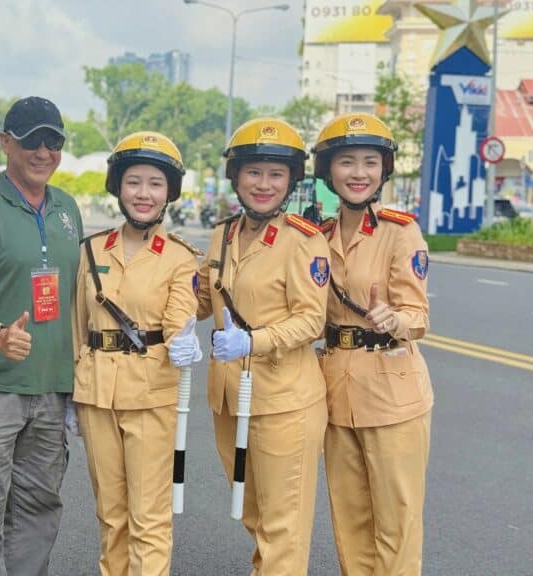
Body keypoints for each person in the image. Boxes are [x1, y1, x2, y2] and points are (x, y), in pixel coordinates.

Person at [0, 96, 83, 576]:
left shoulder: (67, 209)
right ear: (7, 143)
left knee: (39, 511)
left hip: (50, 389)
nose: (43, 152)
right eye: (31, 141)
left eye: (54, 142)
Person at [195, 117, 330, 575]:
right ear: (236, 176)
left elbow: (311, 319)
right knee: (253, 512)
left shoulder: (304, 241)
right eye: (254, 172)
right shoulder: (223, 234)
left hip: (284, 400)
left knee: (283, 525)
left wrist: (254, 340)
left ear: (292, 180)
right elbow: (199, 297)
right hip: (230, 396)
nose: (264, 183)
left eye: (276, 173)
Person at [72, 131, 202, 576]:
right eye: (133, 181)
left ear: (169, 192)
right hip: (96, 395)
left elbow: (178, 321)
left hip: (150, 393)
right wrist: (74, 392)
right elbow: (78, 326)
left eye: (154, 183)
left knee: (148, 517)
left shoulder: (182, 258)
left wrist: (184, 341)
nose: (143, 193)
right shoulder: (90, 251)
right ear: (117, 186)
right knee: (111, 516)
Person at [312, 113, 433, 576]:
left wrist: (394, 317)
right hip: (335, 390)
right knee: (351, 518)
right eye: (346, 161)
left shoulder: (401, 232)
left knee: (396, 521)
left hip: (393, 392)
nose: (358, 172)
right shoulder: (316, 237)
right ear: (328, 171)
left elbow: (419, 316)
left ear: (384, 170)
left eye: (369, 162)